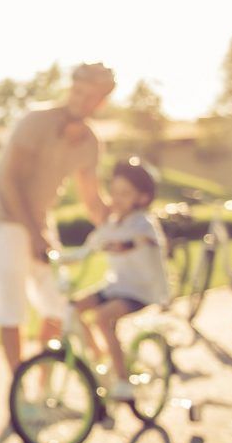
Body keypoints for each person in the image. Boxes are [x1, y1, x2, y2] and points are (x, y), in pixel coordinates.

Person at [0, 61, 114, 373]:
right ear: (70, 88)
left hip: (40, 222)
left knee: (57, 305)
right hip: (4, 220)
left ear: (102, 102)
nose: (81, 100)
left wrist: (123, 229)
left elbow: (92, 199)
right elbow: (10, 182)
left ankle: (42, 384)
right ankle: (20, 390)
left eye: (90, 96)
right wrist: (36, 234)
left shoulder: (91, 142)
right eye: (78, 91)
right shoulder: (35, 122)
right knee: (13, 309)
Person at [73, 157, 170, 399]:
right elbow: (87, 248)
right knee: (73, 308)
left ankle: (123, 380)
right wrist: (55, 256)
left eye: (125, 193)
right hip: (117, 285)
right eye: (114, 192)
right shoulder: (112, 223)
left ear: (142, 198)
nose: (116, 198)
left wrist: (124, 244)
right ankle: (102, 357)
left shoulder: (144, 224)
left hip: (142, 290)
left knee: (102, 318)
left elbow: (143, 241)